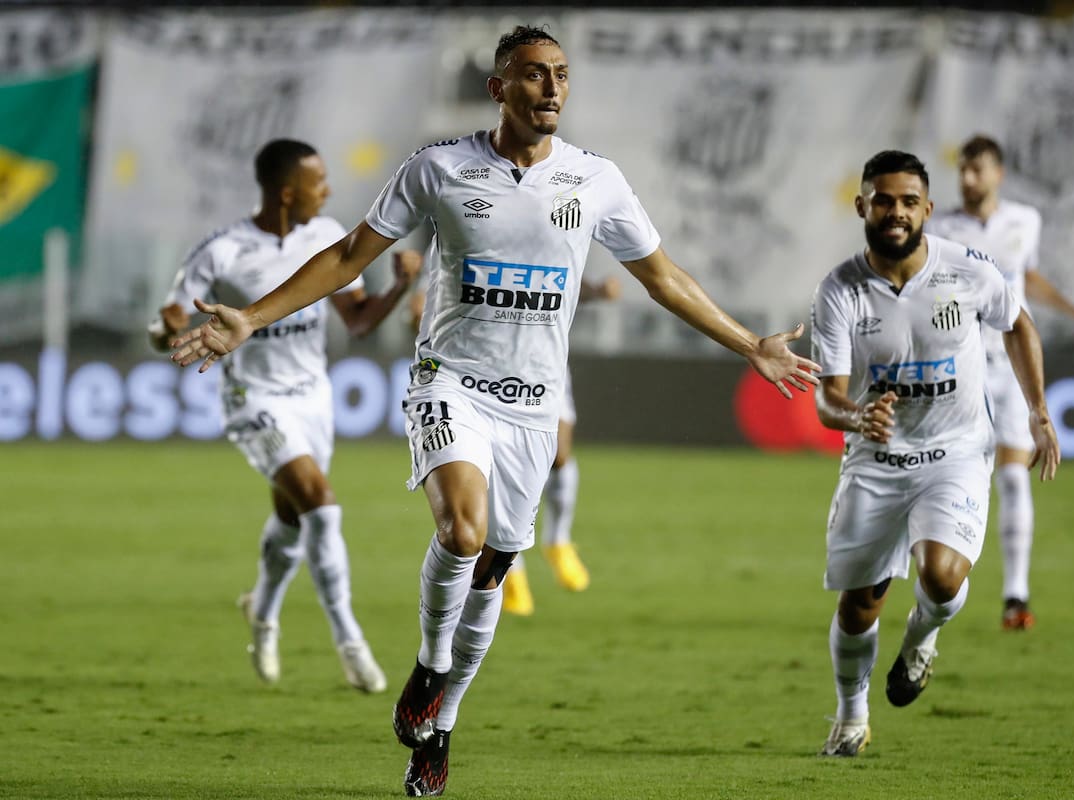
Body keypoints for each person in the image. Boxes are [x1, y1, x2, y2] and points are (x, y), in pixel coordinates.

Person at [169, 26, 819, 797]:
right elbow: (349, 257)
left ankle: (439, 723)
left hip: (535, 409)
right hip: (452, 384)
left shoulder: (594, 180)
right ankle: (431, 663)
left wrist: (750, 343)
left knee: (496, 566)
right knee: (462, 531)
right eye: (535, 75)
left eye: (562, 76)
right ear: (499, 87)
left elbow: (662, 276)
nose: (552, 89)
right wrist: (252, 316)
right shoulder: (439, 169)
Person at [809, 150, 1060, 757]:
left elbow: (1018, 323)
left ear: (928, 208)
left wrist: (1037, 410)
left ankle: (921, 640)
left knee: (941, 577)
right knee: (860, 605)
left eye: (908, 202)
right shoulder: (840, 291)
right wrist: (855, 415)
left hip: (955, 453)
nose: (896, 212)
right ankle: (850, 717)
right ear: (862, 205)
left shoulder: (969, 270)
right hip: (876, 458)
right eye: (884, 200)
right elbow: (829, 400)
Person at [150, 139, 420, 693]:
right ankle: (350, 642)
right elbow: (169, 327)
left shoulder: (326, 236)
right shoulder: (221, 251)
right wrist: (164, 328)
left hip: (311, 397)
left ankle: (263, 612)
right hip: (254, 398)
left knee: (294, 518)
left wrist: (398, 285)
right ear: (287, 191)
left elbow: (361, 322)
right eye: (319, 183)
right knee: (321, 505)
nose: (329, 191)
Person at [926, 135, 1074, 630]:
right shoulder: (940, 228)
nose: (967, 178)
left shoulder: (1025, 221)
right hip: (957, 369)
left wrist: (1069, 308)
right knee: (952, 476)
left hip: (1010, 369)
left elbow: (1027, 278)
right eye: (962, 169)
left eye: (977, 169)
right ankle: (941, 583)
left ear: (998, 173)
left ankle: (1015, 596)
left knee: (1013, 474)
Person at [502, 274, 622, 616]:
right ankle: (511, 571)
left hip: (545, 364)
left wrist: (597, 290)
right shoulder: (474, 231)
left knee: (559, 454)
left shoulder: (546, 233)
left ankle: (558, 541)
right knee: (504, 471)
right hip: (488, 367)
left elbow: (563, 279)